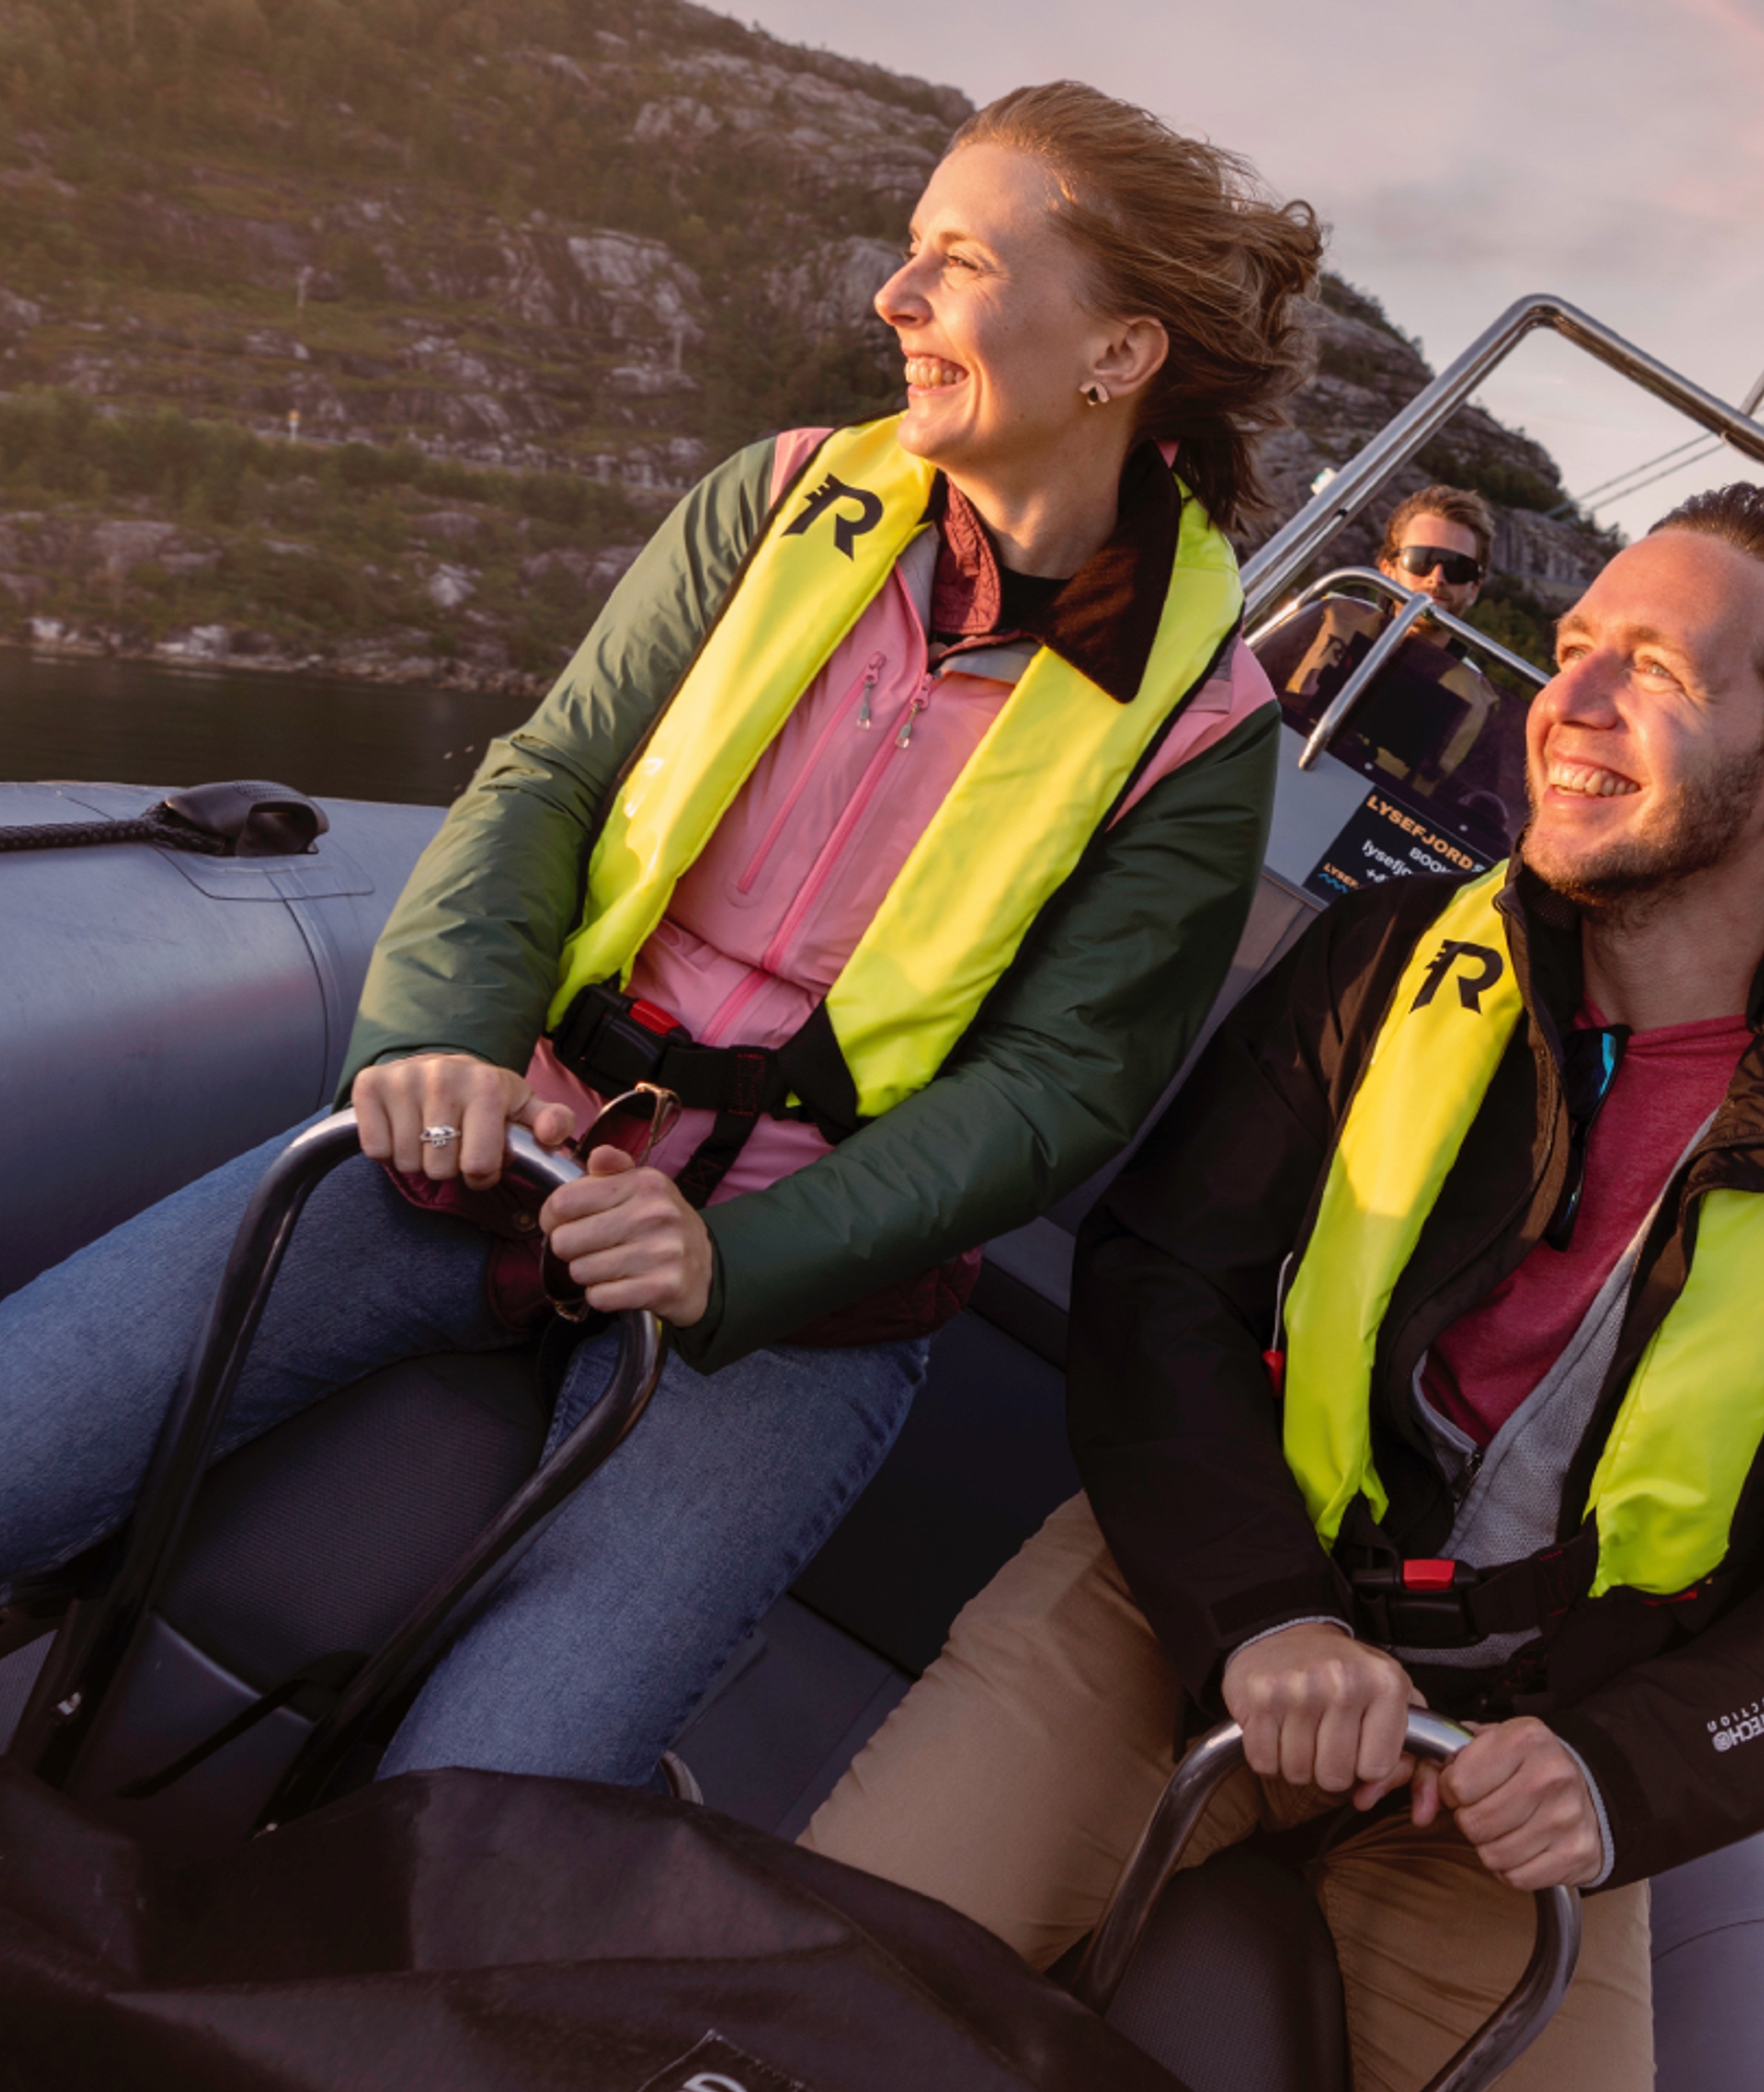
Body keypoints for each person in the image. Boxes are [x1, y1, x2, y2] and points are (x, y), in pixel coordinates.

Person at [0, 83, 1323, 1789]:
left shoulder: (1204, 733)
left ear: (1118, 355)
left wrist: (736, 1265)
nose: (893, 302)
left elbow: (1060, 1089)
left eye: (955, 263)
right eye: (908, 256)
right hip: (497, 1139)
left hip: (790, 1295)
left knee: (494, 1790)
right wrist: (442, 1038)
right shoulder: (772, 503)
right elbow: (548, 782)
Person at [805, 484, 1764, 2092]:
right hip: (1183, 1623)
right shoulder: (1382, 962)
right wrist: (1255, 1615)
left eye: (1660, 675)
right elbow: (1163, 1280)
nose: (1572, 704)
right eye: (1572, 653)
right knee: (800, 2014)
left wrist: (1618, 1771)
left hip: (1523, 1768)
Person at [1260, 484, 1528, 845]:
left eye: (1457, 568)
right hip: (1264, 798)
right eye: (1421, 560)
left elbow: (1462, 830)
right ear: (1388, 569)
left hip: (1361, 848)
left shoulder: (1484, 709)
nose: (1437, 578)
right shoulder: (1325, 618)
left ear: (1474, 588)